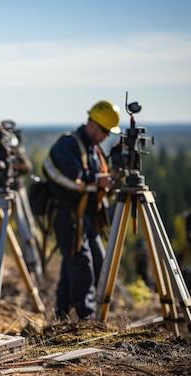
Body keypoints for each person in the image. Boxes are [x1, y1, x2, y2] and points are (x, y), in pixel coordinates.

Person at [42, 100, 120, 320]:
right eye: (105, 130)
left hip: (85, 216)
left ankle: (62, 316)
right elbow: (70, 178)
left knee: (92, 261)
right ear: (93, 125)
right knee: (81, 264)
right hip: (67, 215)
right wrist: (98, 180)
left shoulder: (93, 150)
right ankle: (85, 319)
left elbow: (94, 183)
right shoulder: (69, 144)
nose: (107, 136)